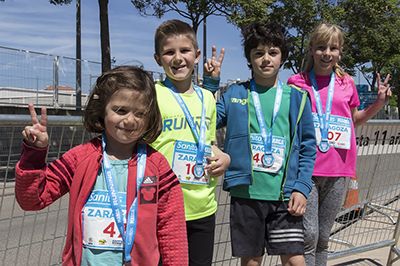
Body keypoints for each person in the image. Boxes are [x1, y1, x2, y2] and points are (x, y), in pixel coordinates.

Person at [15, 66, 188, 266]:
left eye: (140, 113)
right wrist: (34, 154)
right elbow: (32, 200)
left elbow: (172, 231)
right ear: (102, 110)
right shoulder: (80, 158)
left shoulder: (157, 166)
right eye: (120, 110)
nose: (130, 120)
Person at [211, 22, 316, 266]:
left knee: (295, 260)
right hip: (245, 192)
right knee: (251, 261)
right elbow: (206, 118)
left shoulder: (297, 99)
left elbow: (308, 148)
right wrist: (211, 84)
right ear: (249, 58)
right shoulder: (234, 94)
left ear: (282, 58)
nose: (265, 59)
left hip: (284, 196)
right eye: (258, 53)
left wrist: (301, 187)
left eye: (272, 52)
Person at [287, 22, 392, 266]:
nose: (327, 53)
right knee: (308, 236)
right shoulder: (296, 82)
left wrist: (378, 103)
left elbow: (354, 120)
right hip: (307, 170)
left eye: (333, 48)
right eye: (321, 47)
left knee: (323, 237)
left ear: (340, 52)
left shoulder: (347, 84)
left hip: (339, 170)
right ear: (312, 49)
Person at [151, 19, 230, 266]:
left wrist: (224, 158)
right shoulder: (151, 95)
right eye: (169, 52)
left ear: (196, 56)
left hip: (202, 206)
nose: (177, 58)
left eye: (184, 51)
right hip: (161, 205)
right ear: (157, 59)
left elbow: (209, 142)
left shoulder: (208, 98)